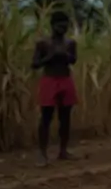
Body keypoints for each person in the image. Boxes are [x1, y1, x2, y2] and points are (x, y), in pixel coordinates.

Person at [32, 10, 77, 165]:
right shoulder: (43, 43)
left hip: (65, 79)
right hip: (49, 80)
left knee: (65, 118)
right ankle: (42, 153)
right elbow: (35, 64)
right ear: (52, 25)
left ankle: (63, 151)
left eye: (65, 25)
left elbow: (74, 60)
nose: (62, 28)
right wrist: (50, 57)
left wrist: (65, 56)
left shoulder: (70, 43)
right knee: (46, 117)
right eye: (59, 25)